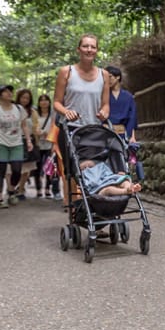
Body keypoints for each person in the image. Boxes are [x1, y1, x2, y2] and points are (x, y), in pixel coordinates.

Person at [53, 34, 110, 205]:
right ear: (78, 49)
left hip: (94, 131)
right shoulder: (66, 72)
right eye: (85, 46)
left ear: (97, 50)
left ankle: (95, 211)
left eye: (93, 47)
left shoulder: (104, 74)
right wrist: (66, 111)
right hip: (70, 130)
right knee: (73, 172)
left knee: (94, 169)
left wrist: (104, 112)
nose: (89, 50)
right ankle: (75, 210)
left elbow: (106, 104)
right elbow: (56, 102)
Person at [0, 84, 33, 208]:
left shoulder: (19, 108)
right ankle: (0, 199)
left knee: (17, 169)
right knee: (1, 171)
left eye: (10, 91)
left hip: (16, 143)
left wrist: (28, 141)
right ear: (0, 95)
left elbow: (24, 126)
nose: (9, 93)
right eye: (5, 92)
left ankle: (11, 190)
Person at [12, 88, 41, 201]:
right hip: (14, 140)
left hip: (28, 140)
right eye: (23, 97)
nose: (25, 100)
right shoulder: (12, 109)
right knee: (14, 168)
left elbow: (35, 125)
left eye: (27, 98)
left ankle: (21, 189)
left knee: (27, 168)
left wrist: (37, 132)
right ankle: (12, 188)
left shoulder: (32, 112)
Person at [104, 65, 138, 142]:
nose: (108, 80)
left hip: (123, 134)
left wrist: (132, 137)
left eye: (110, 77)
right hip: (105, 134)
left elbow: (132, 117)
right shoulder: (103, 95)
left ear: (117, 77)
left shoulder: (128, 96)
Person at [35, 94, 60, 199]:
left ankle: (48, 188)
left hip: (50, 145)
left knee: (51, 167)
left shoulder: (53, 114)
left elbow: (56, 127)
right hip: (38, 144)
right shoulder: (35, 114)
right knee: (37, 168)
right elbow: (32, 126)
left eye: (46, 100)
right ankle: (39, 188)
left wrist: (49, 134)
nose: (44, 102)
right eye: (41, 100)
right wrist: (37, 132)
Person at [78, 159, 142, 196]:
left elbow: (109, 174)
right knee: (108, 190)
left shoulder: (100, 167)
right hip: (98, 190)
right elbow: (91, 183)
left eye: (90, 166)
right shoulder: (84, 175)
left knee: (124, 181)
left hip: (110, 181)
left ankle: (130, 187)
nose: (87, 168)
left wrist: (118, 175)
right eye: (84, 168)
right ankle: (126, 191)